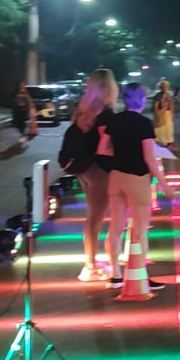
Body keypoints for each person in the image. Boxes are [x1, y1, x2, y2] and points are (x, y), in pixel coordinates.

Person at [104, 82, 173, 291]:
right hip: (137, 178)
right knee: (140, 229)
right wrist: (164, 183)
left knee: (116, 226)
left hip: (116, 177)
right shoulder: (144, 123)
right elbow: (149, 158)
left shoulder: (113, 121)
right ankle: (138, 272)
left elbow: (102, 149)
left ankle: (115, 273)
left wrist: (120, 155)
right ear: (142, 99)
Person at [63, 69, 120, 281]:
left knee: (92, 217)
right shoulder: (106, 114)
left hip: (83, 169)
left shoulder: (83, 111)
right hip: (100, 170)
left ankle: (91, 261)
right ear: (109, 88)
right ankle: (90, 265)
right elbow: (107, 148)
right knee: (95, 219)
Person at [153, 80, 176, 148]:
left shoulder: (168, 95)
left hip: (168, 114)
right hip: (161, 113)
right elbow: (155, 105)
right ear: (161, 87)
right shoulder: (158, 95)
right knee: (160, 129)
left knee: (169, 128)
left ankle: (169, 142)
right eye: (163, 87)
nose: (164, 88)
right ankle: (159, 142)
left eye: (166, 87)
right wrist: (157, 114)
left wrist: (172, 114)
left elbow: (171, 105)